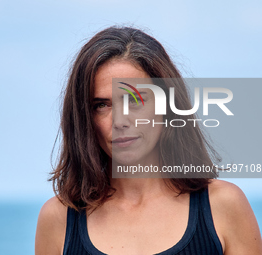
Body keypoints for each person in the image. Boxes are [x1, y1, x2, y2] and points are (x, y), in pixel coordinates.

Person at [35, 26, 262, 255]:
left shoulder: (224, 206)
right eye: (101, 105)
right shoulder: (58, 220)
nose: (120, 121)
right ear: (84, 118)